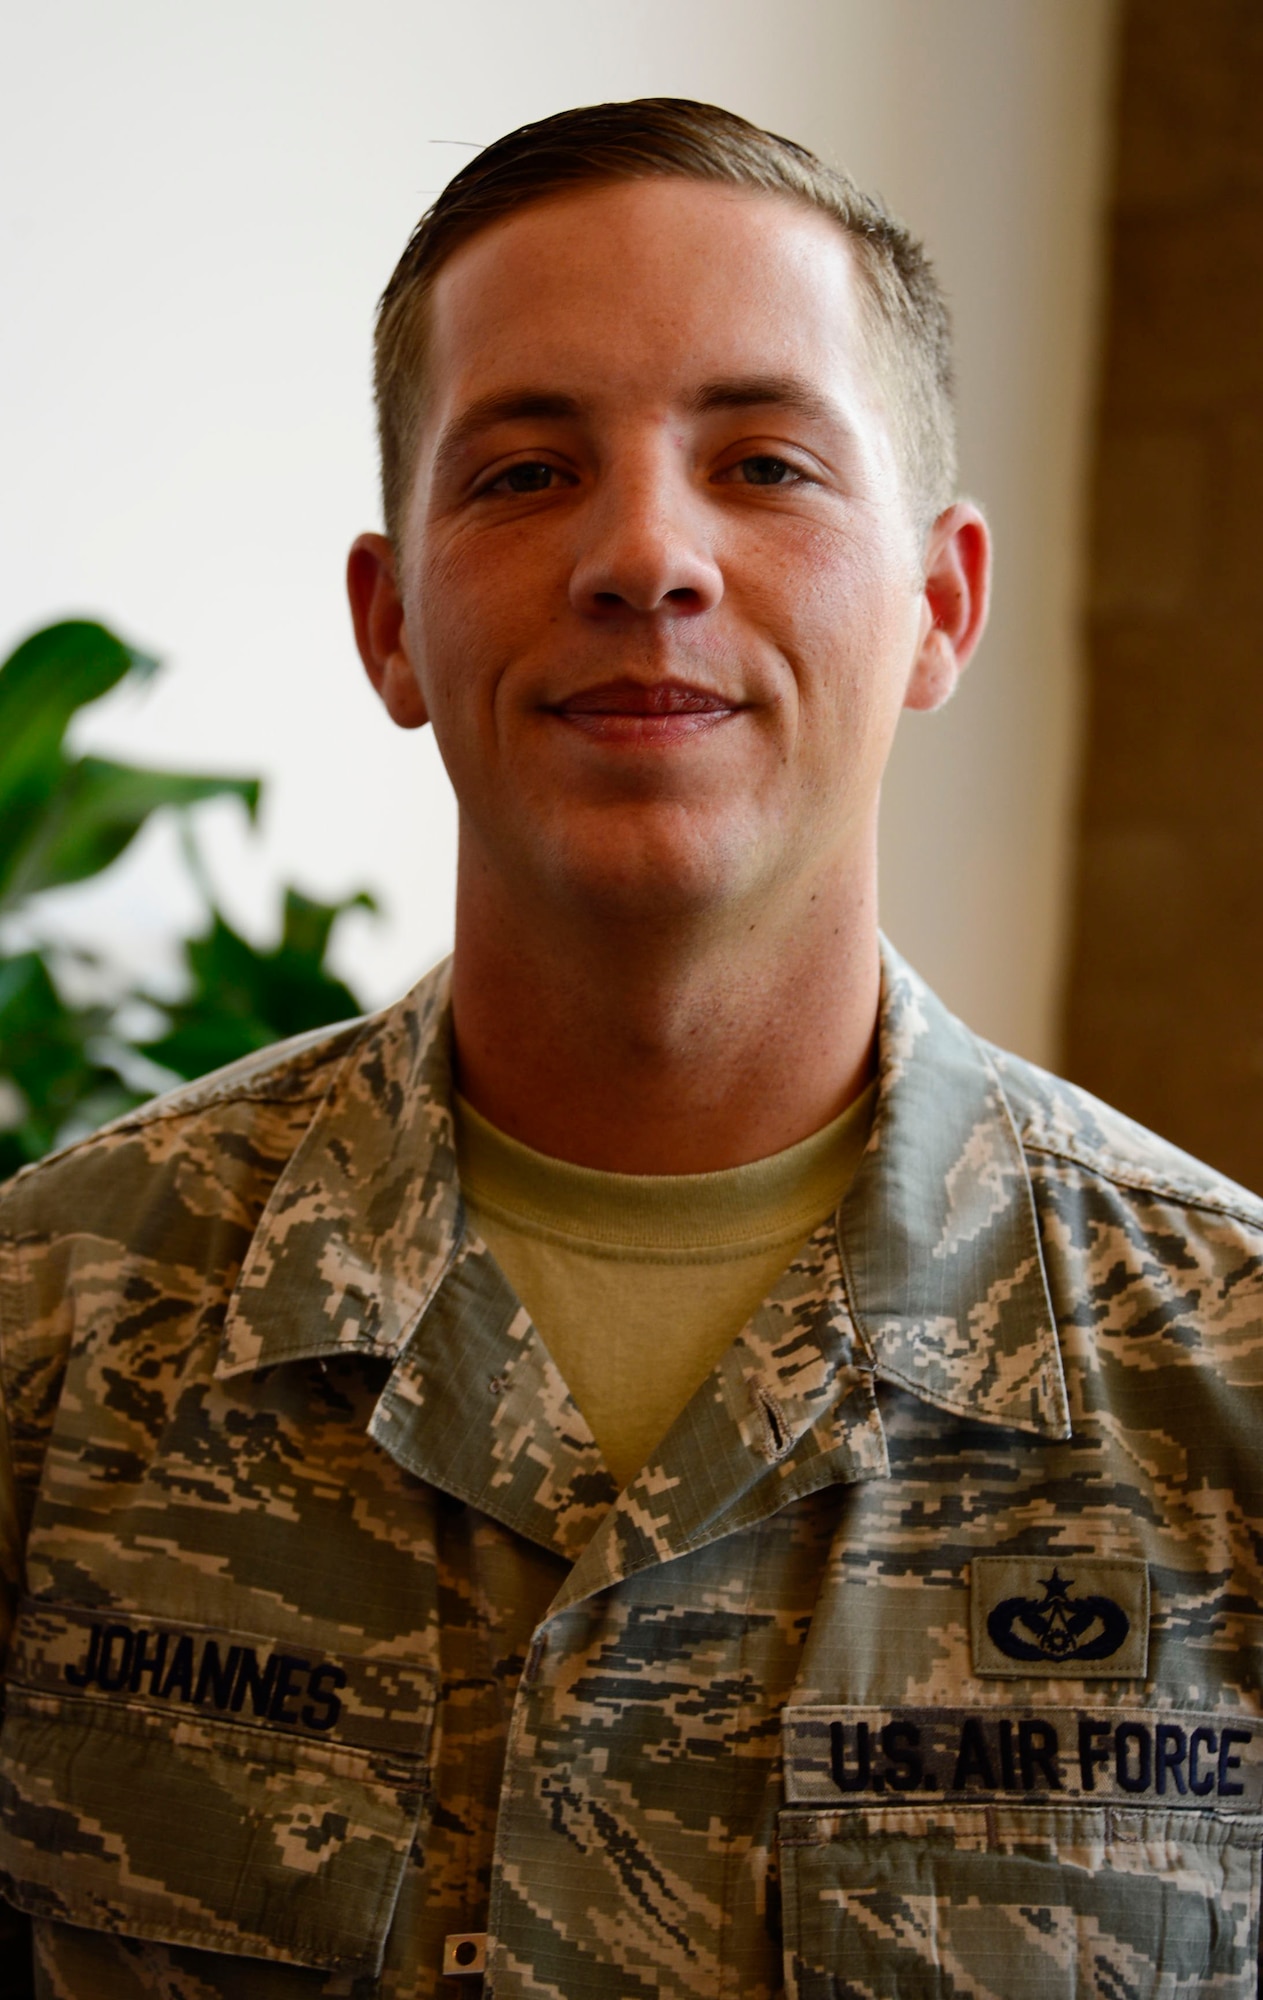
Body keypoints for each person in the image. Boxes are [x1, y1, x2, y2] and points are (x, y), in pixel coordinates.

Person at [1, 96, 1261, 2000]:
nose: (645, 556)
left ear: (941, 601)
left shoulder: (1225, 1386)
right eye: (522, 474)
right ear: (390, 623)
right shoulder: (55, 1324)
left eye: (763, 463)